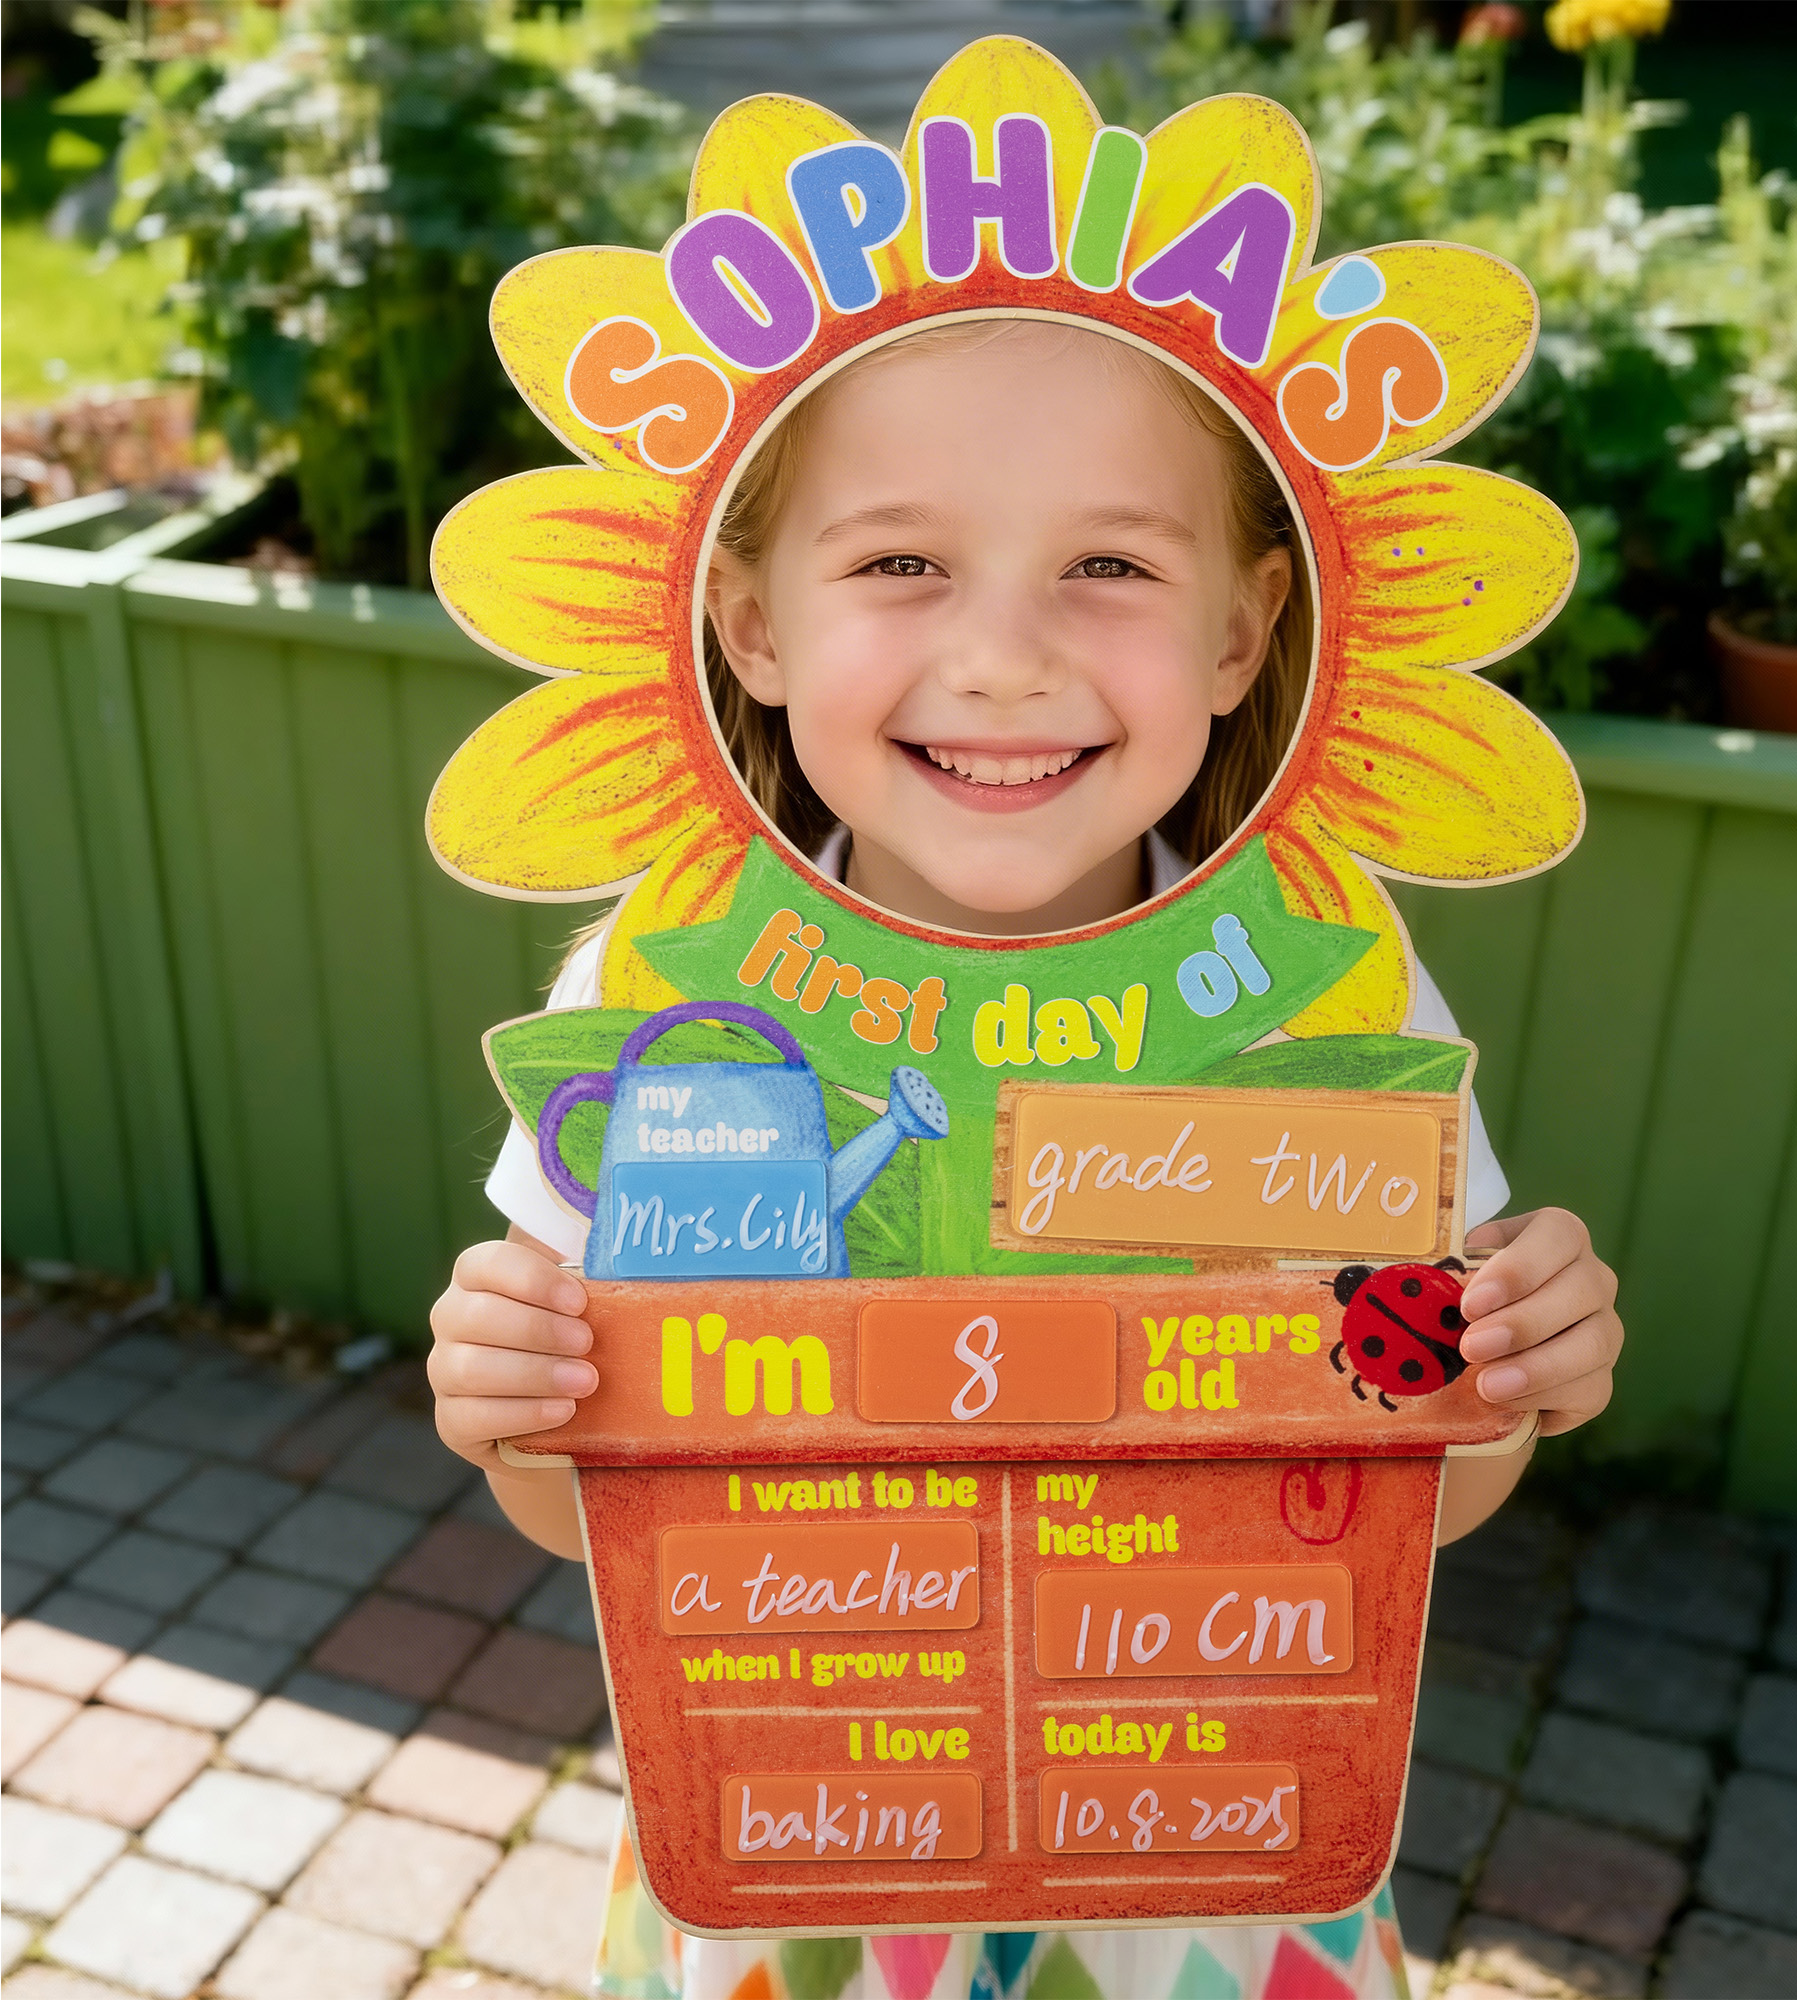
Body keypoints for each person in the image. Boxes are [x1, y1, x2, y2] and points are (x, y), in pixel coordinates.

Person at [430, 319, 1624, 2000]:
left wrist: (1509, 1376)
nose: (1003, 657)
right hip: (802, 1873)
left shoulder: (1324, 986)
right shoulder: (672, 999)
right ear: (754, 622)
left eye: (1110, 563)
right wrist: (512, 1400)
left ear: (1244, 629)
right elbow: (584, 1510)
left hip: (1205, 1866)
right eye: (904, 558)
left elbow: (1414, 1503)